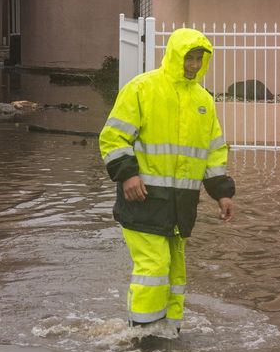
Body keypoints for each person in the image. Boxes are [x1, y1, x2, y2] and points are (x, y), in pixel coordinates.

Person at [99, 27, 236, 332]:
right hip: (143, 199)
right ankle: (143, 335)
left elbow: (213, 152)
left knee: (174, 272)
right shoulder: (142, 88)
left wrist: (222, 193)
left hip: (180, 206)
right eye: (190, 57)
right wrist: (128, 175)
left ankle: (169, 333)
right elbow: (113, 137)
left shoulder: (203, 100)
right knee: (154, 267)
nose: (194, 64)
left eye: (200, 58)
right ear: (175, 56)